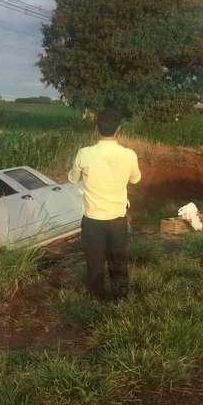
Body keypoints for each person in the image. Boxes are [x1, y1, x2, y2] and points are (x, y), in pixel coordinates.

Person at [68, 108, 141, 302]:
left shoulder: (84, 153)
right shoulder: (129, 155)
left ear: (96, 129)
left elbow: (73, 178)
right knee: (118, 261)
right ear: (118, 130)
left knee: (94, 262)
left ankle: (97, 300)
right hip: (117, 218)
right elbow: (135, 179)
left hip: (92, 219)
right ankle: (121, 299)